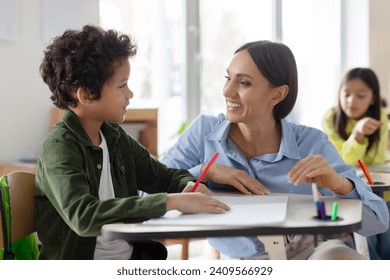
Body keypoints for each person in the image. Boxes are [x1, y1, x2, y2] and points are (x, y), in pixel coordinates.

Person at [161, 40, 389, 260]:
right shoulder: (203, 133)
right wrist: (204, 171)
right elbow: (146, 193)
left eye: (244, 83)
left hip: (312, 251)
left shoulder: (310, 142)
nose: (227, 91)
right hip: (244, 262)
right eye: (228, 78)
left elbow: (377, 220)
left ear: (278, 94)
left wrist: (339, 184)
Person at [35, 25, 229, 260]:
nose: (130, 94)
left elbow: (163, 177)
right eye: (122, 85)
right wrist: (171, 202)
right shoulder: (60, 148)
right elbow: (83, 216)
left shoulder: (113, 136)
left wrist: (186, 186)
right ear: (86, 95)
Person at [322, 67, 390, 260]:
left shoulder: (381, 119)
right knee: (365, 232)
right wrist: (358, 135)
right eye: (347, 94)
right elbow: (341, 162)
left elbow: (375, 161)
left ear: (373, 98)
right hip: (349, 193)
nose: (351, 101)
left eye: (361, 95)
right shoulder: (330, 119)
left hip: (380, 191)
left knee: (385, 231)